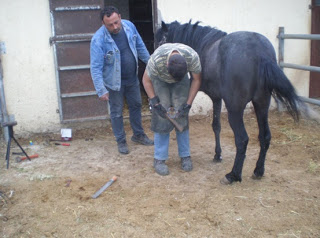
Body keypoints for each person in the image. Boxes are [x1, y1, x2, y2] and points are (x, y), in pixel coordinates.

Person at [90, 6, 153, 154]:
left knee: (136, 105)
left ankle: (138, 135)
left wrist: (151, 63)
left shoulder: (130, 26)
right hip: (113, 83)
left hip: (132, 78)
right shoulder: (98, 40)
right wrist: (101, 89)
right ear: (103, 24)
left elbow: (140, 47)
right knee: (117, 112)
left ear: (119, 16)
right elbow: (95, 67)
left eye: (116, 22)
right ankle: (121, 140)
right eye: (110, 25)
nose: (115, 27)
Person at [142, 43, 202, 175]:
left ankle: (185, 155)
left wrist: (188, 104)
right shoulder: (157, 60)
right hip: (160, 79)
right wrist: (154, 102)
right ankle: (159, 158)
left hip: (181, 81)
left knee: (181, 115)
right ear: (167, 65)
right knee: (161, 117)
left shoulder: (192, 57)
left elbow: (196, 80)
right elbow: (146, 80)